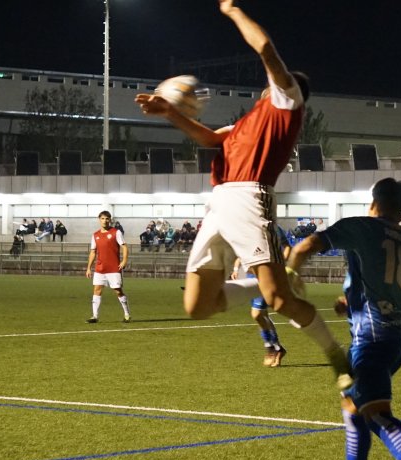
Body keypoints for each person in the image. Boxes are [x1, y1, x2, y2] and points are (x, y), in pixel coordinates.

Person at [135, 0, 351, 389]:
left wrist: (233, 11)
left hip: (250, 197)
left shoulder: (287, 103)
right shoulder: (249, 119)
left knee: (281, 302)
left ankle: (336, 353)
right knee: (198, 305)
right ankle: (272, 282)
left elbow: (266, 49)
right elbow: (207, 137)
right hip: (219, 201)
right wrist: (169, 112)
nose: (267, 84)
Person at [287, 178, 401, 460]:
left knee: (374, 411)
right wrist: (352, 301)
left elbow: (304, 247)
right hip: (398, 336)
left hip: (372, 338)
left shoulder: (362, 226)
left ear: (373, 200)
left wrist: (286, 286)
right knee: (352, 406)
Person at [232, 225, 291, 367]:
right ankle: (278, 348)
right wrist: (235, 268)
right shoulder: (247, 228)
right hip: (251, 275)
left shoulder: (274, 228)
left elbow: (287, 247)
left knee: (256, 314)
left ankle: (270, 347)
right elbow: (242, 253)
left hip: (266, 276)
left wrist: (279, 265)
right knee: (262, 315)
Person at [85, 210, 131, 324]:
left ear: (110, 220)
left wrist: (124, 260)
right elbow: (93, 252)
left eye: (107, 219)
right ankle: (94, 316)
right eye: (102, 218)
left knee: (118, 291)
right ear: (99, 219)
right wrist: (88, 268)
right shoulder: (95, 235)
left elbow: (124, 247)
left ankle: (127, 314)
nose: (105, 221)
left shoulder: (116, 232)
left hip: (113, 268)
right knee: (97, 290)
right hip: (100, 268)